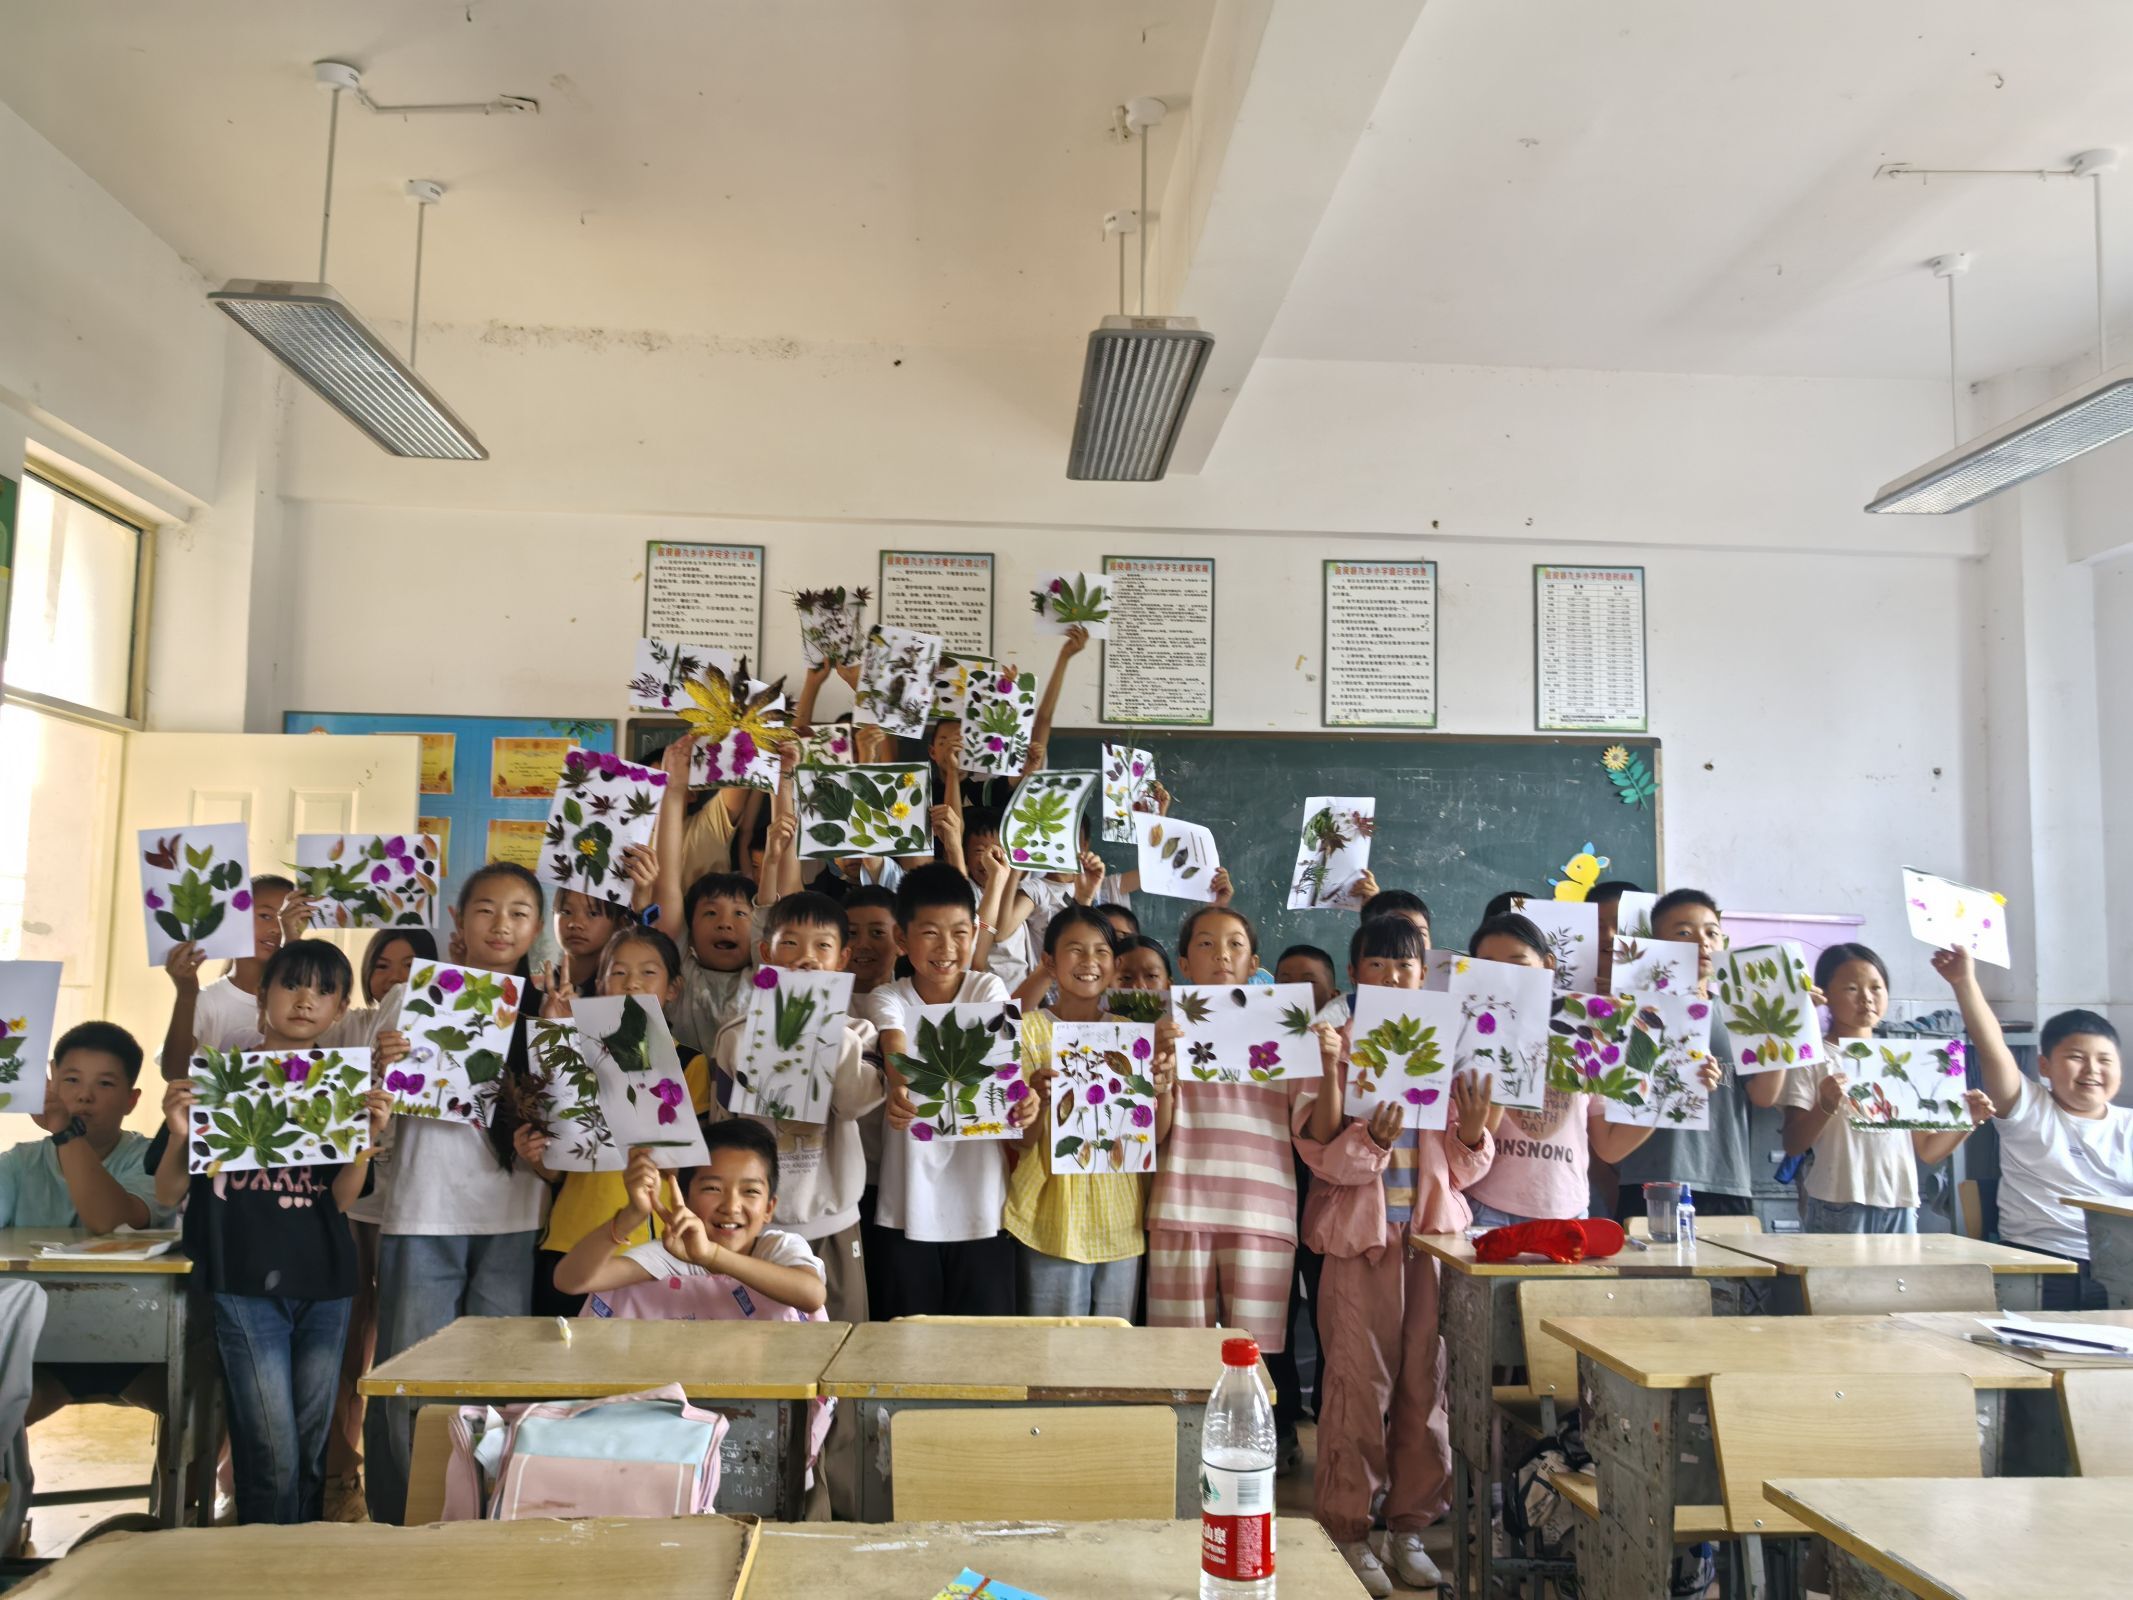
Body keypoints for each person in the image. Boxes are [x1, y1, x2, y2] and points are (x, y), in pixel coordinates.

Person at [153, 941, 396, 1524]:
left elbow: (341, 1200)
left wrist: (363, 1143)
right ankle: (264, 1559)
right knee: (271, 1447)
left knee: (310, 1447)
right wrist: (181, 1132)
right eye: (292, 985)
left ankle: (298, 1558)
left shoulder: (340, 1088)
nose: (306, 999)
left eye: (324, 991)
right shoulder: (219, 1079)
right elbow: (166, 1192)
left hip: (326, 1282)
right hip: (242, 1280)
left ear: (340, 1010)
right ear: (262, 996)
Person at [1298, 913, 1495, 1597]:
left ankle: (1408, 1527)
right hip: (1361, 1243)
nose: (1390, 976)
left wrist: (1473, 1129)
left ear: (1424, 973)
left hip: (1431, 1244)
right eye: (1376, 965)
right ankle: (1348, 1530)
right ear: (1354, 973)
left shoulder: (1450, 1040)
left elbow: (1464, 1171)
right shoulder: (1331, 1039)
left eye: (1404, 965)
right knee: (1356, 1387)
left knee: (1425, 1388)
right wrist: (1373, 1141)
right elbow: (1319, 1154)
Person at [363, 862, 550, 1525]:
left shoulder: (549, 1006)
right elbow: (368, 1107)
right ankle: (398, 1519)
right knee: (409, 1379)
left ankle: (481, 1518)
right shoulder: (411, 995)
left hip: (513, 1215)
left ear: (538, 927)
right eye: (486, 910)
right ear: (458, 921)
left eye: (519, 913)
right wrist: (379, 1068)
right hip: (424, 1210)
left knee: (497, 1380)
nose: (502, 925)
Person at [1457, 914, 1701, 1228]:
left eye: (1518, 964)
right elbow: (1471, 1141)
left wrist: (1672, 1090)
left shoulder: (1584, 1031)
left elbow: (1610, 1148)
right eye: (1490, 967)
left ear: (1548, 965)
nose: (1506, 977)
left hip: (1567, 1209)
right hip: (1489, 1207)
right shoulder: (1469, 1035)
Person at [708, 890, 882, 1324]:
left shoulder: (860, 1035)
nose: (806, 958)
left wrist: (830, 1030)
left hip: (833, 1221)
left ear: (842, 959)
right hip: (758, 1228)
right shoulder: (735, 1037)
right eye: (790, 943)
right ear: (766, 954)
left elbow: (853, 1104)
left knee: (845, 1339)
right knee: (765, 1344)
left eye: (822, 946)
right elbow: (723, 1130)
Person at [513, 927, 707, 1316]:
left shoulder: (690, 1064)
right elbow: (557, 1171)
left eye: (648, 972)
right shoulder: (569, 1055)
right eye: (618, 972)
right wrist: (534, 1156)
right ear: (600, 984)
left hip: (650, 1249)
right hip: (571, 1238)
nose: (632, 982)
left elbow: (685, 1169)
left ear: (673, 988)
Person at [872, 864, 1038, 1314]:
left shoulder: (987, 987)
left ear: (975, 932)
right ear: (902, 939)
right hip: (906, 1204)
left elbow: (1005, 1064)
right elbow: (894, 1043)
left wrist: (1024, 1098)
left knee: (982, 1343)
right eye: (930, 933)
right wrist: (901, 1086)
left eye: (960, 933)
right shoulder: (890, 996)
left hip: (982, 1205)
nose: (946, 948)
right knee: (907, 1339)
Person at [1936, 944, 2130, 1308]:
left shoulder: (2128, 1127)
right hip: (2036, 1266)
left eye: (2105, 1060)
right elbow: (1991, 1046)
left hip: (2119, 1271)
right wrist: (1964, 982)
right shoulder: (2027, 1107)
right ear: (2044, 1066)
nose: (2092, 1070)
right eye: (2076, 1058)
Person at [1147, 906, 1298, 1370]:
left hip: (1262, 1213)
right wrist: (1159, 1072)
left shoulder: (1287, 1026)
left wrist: (1327, 1060)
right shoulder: (1162, 1030)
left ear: (1255, 963)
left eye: (1235, 944)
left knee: (1252, 1365)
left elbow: (1311, 1127)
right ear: (1184, 963)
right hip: (1181, 1208)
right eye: (1206, 944)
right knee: (1178, 1362)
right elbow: (1155, 1134)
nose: (1222, 955)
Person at [1003, 906, 1168, 1318]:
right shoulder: (1027, 1031)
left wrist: (1164, 1088)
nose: (1089, 961)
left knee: (1114, 1345)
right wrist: (1037, 1099)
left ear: (1114, 966)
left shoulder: (1131, 1035)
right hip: (1051, 1218)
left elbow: (1156, 1134)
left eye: (1101, 952)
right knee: (1053, 1345)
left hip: (1120, 1215)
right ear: (1049, 962)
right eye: (1075, 950)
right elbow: (1022, 1140)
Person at [1774, 943, 1992, 1233]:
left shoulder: (1900, 1061)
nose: (1866, 998)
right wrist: (1824, 1106)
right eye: (1851, 989)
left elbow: (1928, 1150)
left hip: (1900, 1204)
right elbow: (1793, 1143)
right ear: (1825, 994)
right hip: (1838, 1204)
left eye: (1876, 988)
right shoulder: (1814, 1057)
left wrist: (1968, 1120)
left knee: (1902, 1267)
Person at [1611, 889, 1764, 1221]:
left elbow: (1765, 1094)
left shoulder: (1740, 1013)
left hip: (1726, 1180)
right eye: (1683, 932)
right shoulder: (1632, 1011)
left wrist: (1784, 1029)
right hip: (1649, 1178)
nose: (1701, 942)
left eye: (1711, 932)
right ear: (1656, 944)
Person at [553, 1134, 827, 1317]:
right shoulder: (672, 1253)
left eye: (750, 1191)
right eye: (712, 1188)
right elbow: (570, 1281)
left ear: (769, 1208)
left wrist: (712, 1255)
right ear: (685, 1198)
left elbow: (812, 1295)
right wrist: (631, 1215)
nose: (731, 1206)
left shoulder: (779, 1247)